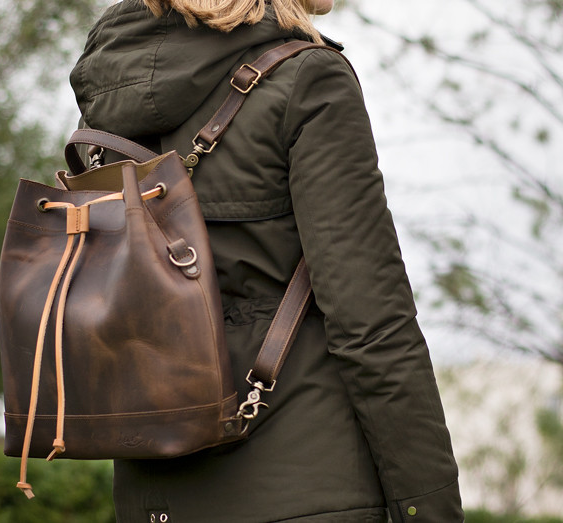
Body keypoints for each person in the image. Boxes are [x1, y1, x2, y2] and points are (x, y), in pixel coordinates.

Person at [68, 1, 463, 521]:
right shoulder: (307, 79)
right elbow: (371, 323)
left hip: (151, 494)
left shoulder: (109, 92)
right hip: (307, 485)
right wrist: (428, 506)